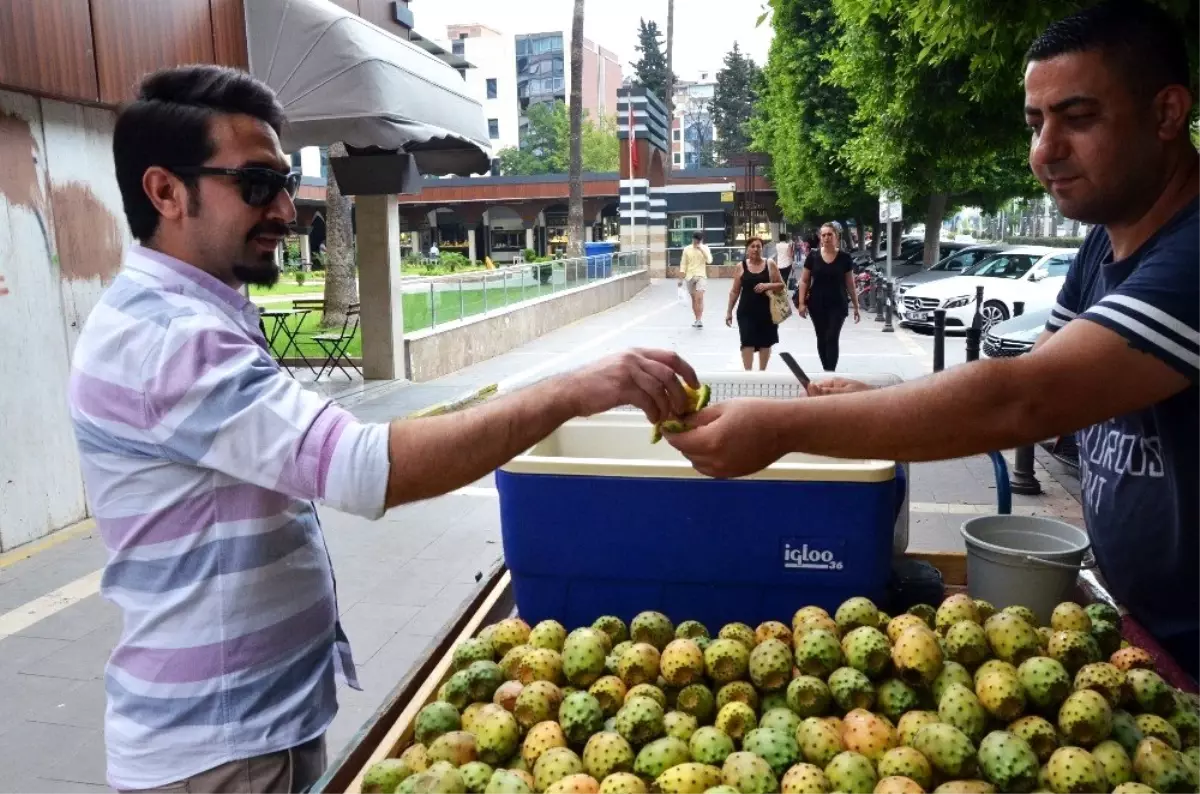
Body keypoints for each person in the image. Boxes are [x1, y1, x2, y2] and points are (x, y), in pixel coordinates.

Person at [69, 64, 697, 794]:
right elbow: (366, 465)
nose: (283, 209)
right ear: (165, 191)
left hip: (254, 726)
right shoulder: (171, 339)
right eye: (255, 185)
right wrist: (573, 390)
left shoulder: (193, 317)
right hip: (215, 746)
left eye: (282, 182)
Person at [668, 0, 1200, 678]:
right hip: (1146, 633)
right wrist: (858, 404)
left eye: (1080, 118)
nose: (1045, 151)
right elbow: (1048, 374)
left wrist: (780, 429)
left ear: (1166, 113)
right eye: (1036, 123)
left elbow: (1024, 402)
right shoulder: (1106, 241)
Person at [795, 223, 861, 371]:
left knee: (832, 337)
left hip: (838, 304)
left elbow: (850, 284)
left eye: (829, 234)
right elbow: (804, 280)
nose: (826, 238)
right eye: (823, 235)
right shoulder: (813, 256)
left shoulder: (844, 258)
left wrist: (856, 306)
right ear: (820, 238)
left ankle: (830, 372)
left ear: (836, 237)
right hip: (816, 304)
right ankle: (826, 370)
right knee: (821, 337)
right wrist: (801, 303)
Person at [726, 237, 787, 371]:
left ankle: (762, 373)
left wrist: (767, 285)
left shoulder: (769, 264)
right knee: (747, 342)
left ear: (762, 248)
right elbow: (735, 291)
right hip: (746, 312)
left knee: (765, 343)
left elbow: (781, 285)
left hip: (767, 311)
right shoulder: (740, 266)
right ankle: (748, 374)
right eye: (752, 246)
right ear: (747, 249)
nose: (755, 249)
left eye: (758, 246)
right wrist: (729, 312)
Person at [679, 231, 712, 328]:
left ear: (701, 240)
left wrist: (701, 249)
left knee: (699, 298)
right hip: (689, 277)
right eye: (694, 240)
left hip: (701, 276)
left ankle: (699, 320)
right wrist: (680, 279)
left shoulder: (705, 248)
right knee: (694, 299)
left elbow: (709, 260)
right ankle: (696, 319)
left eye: (697, 240)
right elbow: (683, 264)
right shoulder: (687, 249)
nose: (695, 242)